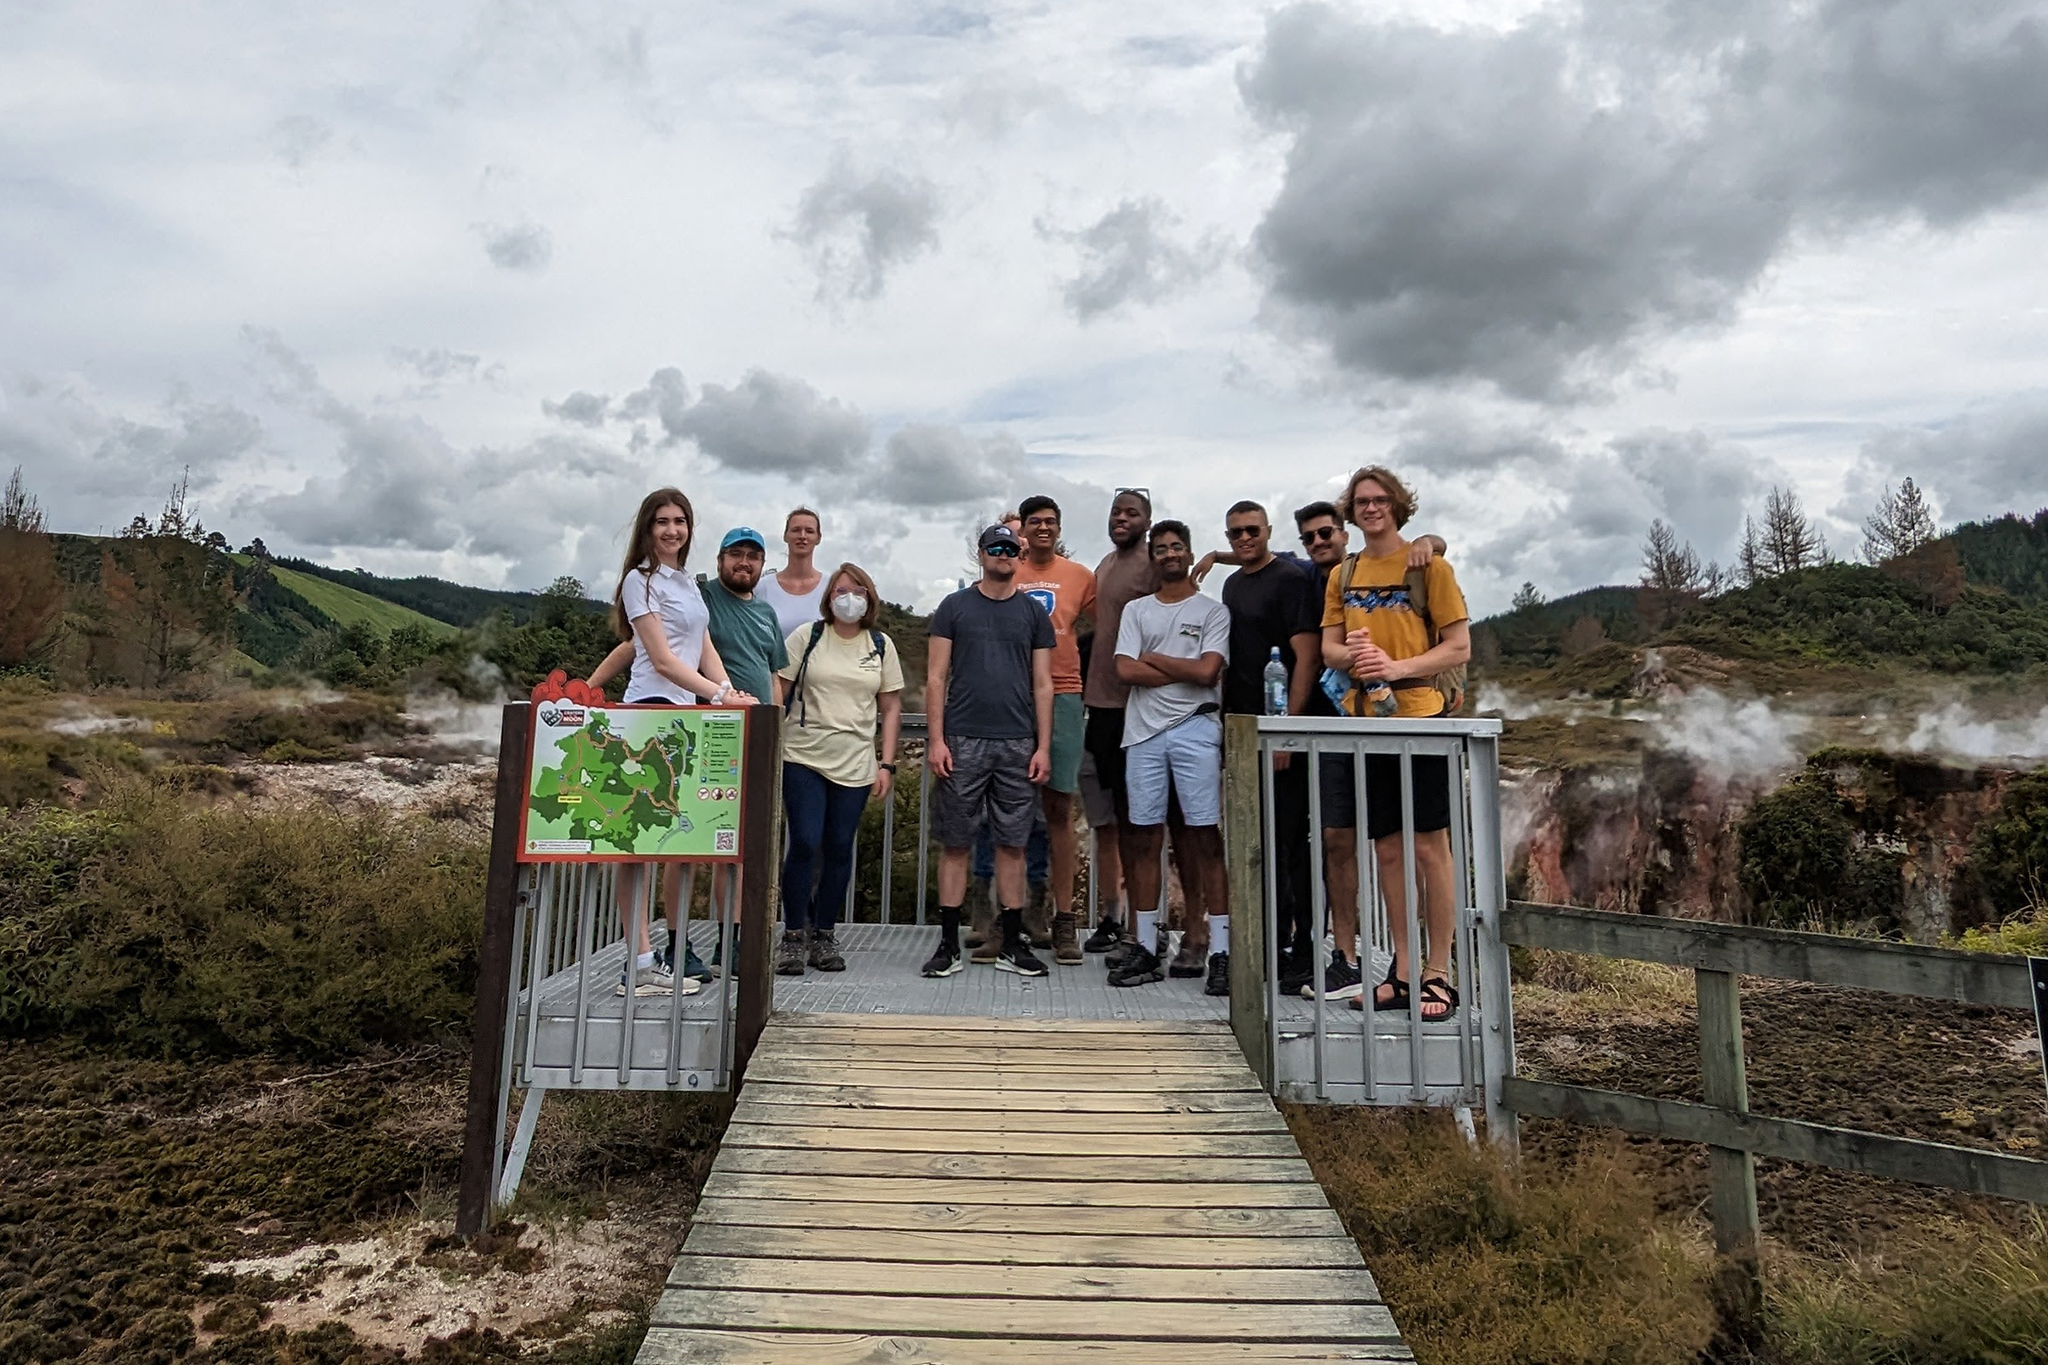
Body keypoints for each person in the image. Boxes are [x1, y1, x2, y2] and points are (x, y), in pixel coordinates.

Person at [1318, 466, 1472, 1019]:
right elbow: (1329, 649)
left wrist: (1396, 665)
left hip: (1420, 716)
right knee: (1386, 848)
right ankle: (1402, 973)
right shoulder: (1344, 573)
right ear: (1350, 510)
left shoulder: (1430, 565)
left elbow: (1458, 648)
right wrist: (1356, 658)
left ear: (1399, 506)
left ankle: (1438, 974)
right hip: (1367, 721)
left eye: (1381, 499)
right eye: (1361, 500)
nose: (1371, 508)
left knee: (1430, 847)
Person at [601, 489, 757, 997]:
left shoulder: (687, 582)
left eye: (681, 521)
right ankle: (639, 961)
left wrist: (730, 692)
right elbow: (662, 660)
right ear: (647, 528)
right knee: (637, 851)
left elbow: (703, 646)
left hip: (682, 718)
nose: (672, 530)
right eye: (662, 522)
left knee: (670, 845)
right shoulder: (638, 581)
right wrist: (719, 696)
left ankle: (652, 960)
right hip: (650, 712)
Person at [920, 523, 1055, 979]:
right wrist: (936, 740)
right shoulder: (954, 607)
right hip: (962, 740)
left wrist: (1043, 746)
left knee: (1013, 844)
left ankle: (1011, 943)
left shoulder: (1034, 613)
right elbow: (936, 677)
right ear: (980, 554)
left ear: (1020, 556)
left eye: (1011, 548)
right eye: (995, 547)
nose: (1004, 554)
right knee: (956, 843)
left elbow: (1043, 683)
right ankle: (947, 945)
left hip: (1018, 743)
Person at [1109, 520, 1232, 995]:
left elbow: (1208, 672)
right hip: (1142, 735)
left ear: (1188, 552)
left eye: (1177, 547)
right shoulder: (1136, 610)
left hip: (1197, 730)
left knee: (1203, 838)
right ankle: (1143, 945)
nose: (1169, 555)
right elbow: (1123, 668)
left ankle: (1219, 950)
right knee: (1143, 839)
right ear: (1153, 558)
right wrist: (1184, 668)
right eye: (1160, 549)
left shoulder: (1212, 611)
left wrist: (1154, 658)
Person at [1214, 501, 1322, 995]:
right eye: (1236, 532)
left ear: (1268, 530)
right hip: (1241, 731)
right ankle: (1268, 942)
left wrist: (1288, 730)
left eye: (1252, 530)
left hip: (1280, 731)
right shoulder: (1234, 584)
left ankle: (1304, 949)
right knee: (1259, 840)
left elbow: (1306, 656)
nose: (1244, 538)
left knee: (1292, 842)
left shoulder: (1291, 580)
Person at [775, 562, 904, 975]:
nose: (850, 598)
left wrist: (887, 763)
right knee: (805, 842)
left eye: (859, 591)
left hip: (856, 763)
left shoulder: (880, 645)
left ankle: (824, 934)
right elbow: (779, 690)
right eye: (841, 591)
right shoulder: (808, 637)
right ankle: (794, 934)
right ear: (829, 598)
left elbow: (891, 706)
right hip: (803, 757)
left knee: (838, 848)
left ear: (870, 598)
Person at [1012, 494, 1096, 964]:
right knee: (1011, 809)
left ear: (1059, 528)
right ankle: (1014, 918)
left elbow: (1113, 629)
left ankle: (1065, 921)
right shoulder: (1007, 572)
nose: (1043, 528)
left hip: (1064, 693)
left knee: (1059, 809)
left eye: (1051, 521)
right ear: (1023, 529)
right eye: (1035, 522)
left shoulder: (1080, 577)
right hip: (1012, 696)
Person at [1079, 488, 1155, 955]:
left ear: (1148, 519)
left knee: (1140, 822)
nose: (1122, 519)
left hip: (1139, 709)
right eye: (1116, 512)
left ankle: (1146, 925)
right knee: (1105, 821)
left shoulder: (1153, 563)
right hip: (1099, 708)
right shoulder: (1103, 566)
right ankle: (1112, 915)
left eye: (1132, 512)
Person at [756, 507, 827, 637]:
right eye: (796, 530)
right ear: (785, 535)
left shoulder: (830, 587)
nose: (802, 536)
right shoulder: (762, 588)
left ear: (818, 538)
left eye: (809, 531)